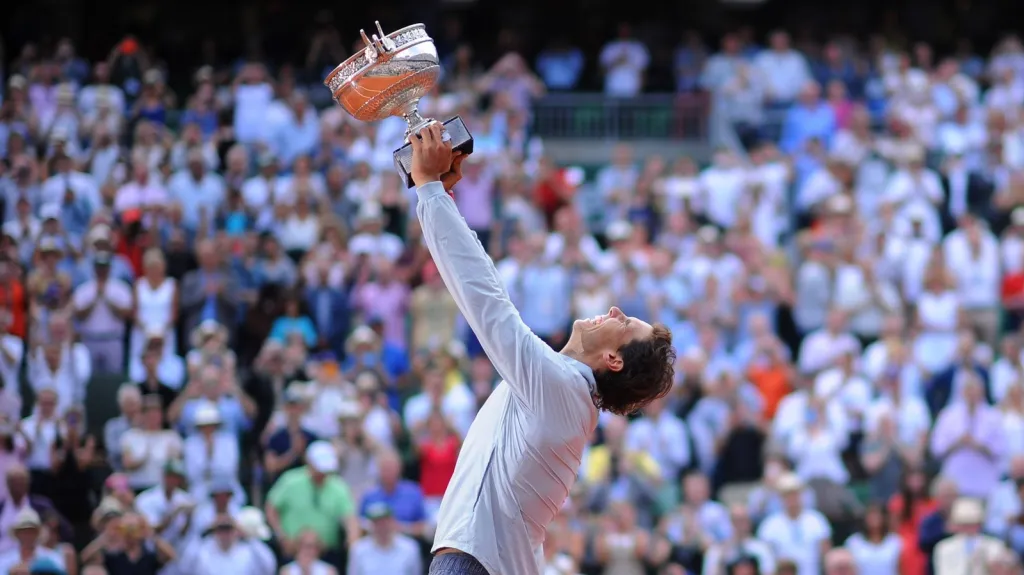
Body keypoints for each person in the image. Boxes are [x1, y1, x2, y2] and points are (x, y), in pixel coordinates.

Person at [408, 123, 676, 575]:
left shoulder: (561, 388)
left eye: (625, 323)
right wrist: (443, 197)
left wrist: (430, 189)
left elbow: (485, 298)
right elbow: (490, 287)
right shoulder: (564, 392)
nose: (614, 310)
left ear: (613, 360)